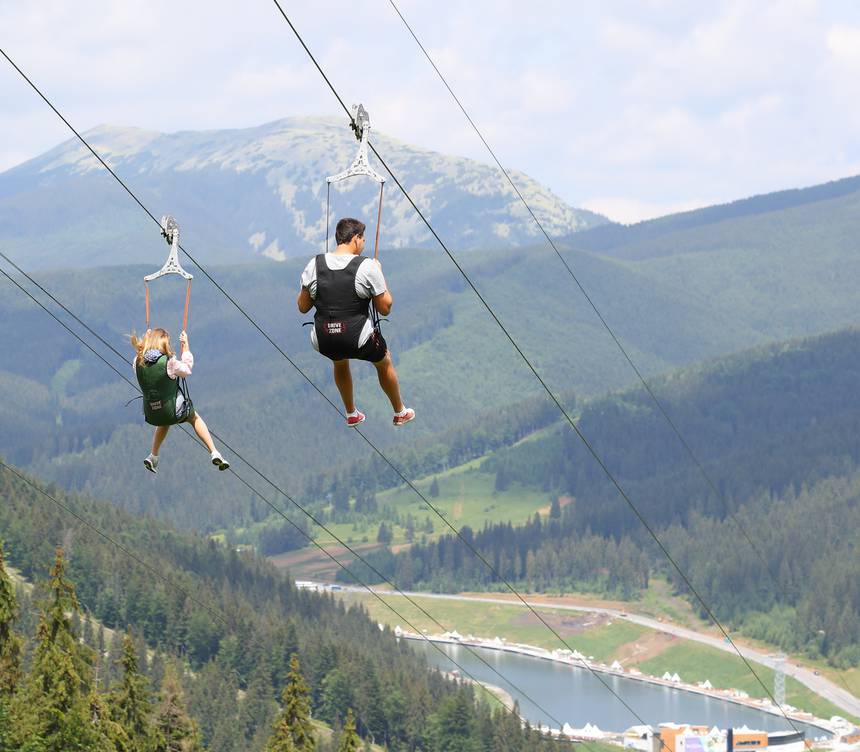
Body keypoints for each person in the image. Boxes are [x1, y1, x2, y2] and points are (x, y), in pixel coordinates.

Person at [297, 217, 415, 427]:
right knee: (383, 360)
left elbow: (303, 307)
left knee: (339, 359)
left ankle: (351, 412)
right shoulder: (367, 266)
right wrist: (379, 275)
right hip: (358, 339)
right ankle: (400, 411)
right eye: (363, 239)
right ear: (356, 238)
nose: (363, 244)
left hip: (323, 339)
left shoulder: (314, 265)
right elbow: (385, 308)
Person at [130, 327, 230, 473]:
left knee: (164, 422)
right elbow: (187, 369)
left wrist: (146, 338)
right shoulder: (169, 363)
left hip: (151, 413)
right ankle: (214, 451)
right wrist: (186, 348)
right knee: (194, 417)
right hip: (171, 410)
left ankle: (153, 456)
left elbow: (144, 358)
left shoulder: (137, 362)